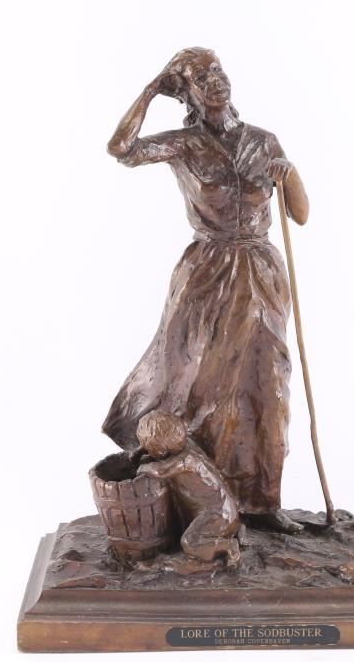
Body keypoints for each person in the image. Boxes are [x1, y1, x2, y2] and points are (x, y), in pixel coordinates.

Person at [103, 47, 309, 533]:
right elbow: (122, 149)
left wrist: (290, 175)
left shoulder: (262, 141)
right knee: (197, 383)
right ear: (187, 93)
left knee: (267, 383)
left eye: (216, 71)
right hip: (207, 274)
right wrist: (153, 88)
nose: (214, 81)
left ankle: (262, 502)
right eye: (199, 77)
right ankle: (198, 500)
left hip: (260, 273)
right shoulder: (184, 144)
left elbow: (299, 214)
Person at [136, 411, 240, 565]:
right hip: (225, 510)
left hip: (219, 515)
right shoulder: (186, 446)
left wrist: (140, 468)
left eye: (149, 447)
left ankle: (228, 546)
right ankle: (236, 530)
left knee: (190, 542)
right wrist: (140, 451)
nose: (148, 451)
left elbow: (159, 471)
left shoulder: (186, 460)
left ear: (160, 449)